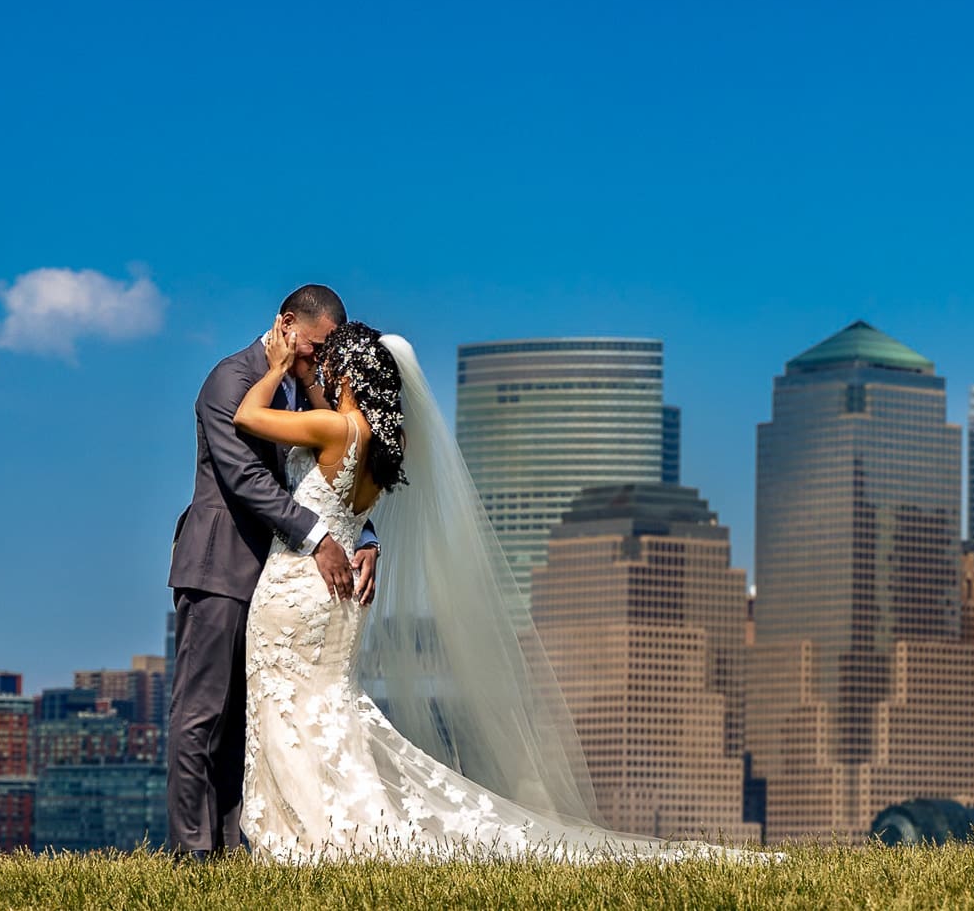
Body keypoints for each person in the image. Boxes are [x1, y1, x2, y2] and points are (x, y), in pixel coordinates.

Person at [230, 316, 761, 861]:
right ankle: (330, 829)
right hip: (342, 600)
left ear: (345, 374)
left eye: (327, 365)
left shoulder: (333, 429)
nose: (316, 372)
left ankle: (306, 837)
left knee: (288, 709)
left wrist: (273, 369)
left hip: (297, 589)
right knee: (327, 707)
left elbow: (246, 415)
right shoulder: (390, 441)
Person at [166, 284, 376, 858]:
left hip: (275, 577)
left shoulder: (304, 390)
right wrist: (319, 539)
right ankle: (192, 854)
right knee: (201, 715)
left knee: (247, 718)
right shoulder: (229, 381)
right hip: (220, 566)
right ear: (286, 326)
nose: (319, 362)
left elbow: (331, 475)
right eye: (312, 349)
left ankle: (235, 848)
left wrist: (366, 537)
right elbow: (246, 479)